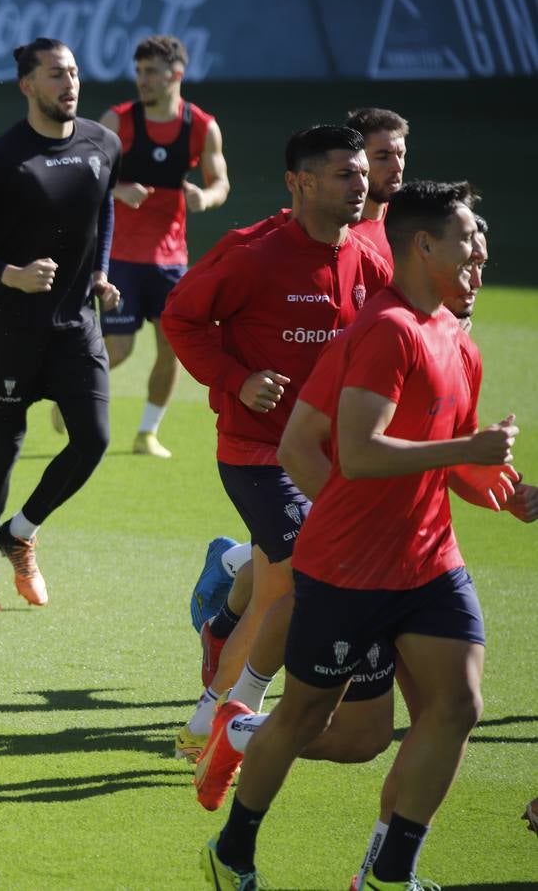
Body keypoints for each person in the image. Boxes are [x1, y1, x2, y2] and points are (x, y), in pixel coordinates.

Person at [201, 180, 524, 891]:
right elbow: (364, 450)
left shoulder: (454, 340)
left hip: (430, 563)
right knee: (312, 718)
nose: (483, 251)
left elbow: (445, 460)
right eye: (469, 239)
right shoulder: (388, 331)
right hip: (347, 572)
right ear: (424, 244)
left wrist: (504, 493)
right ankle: (232, 848)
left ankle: (390, 873)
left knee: (458, 706)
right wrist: (464, 453)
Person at [162, 125, 392, 761]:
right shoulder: (251, 253)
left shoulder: (367, 259)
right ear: (299, 182)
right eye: (344, 174)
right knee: (294, 575)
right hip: (257, 453)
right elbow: (182, 318)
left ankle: (207, 717)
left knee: (277, 588)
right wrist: (238, 380)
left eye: (362, 174)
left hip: (330, 460)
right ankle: (238, 720)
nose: (359, 185)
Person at [0, 38, 121, 611]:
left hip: (76, 325)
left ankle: (19, 531)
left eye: (72, 72)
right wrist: (7, 273)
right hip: (12, 327)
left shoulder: (103, 142)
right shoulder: (1, 159)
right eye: (55, 74)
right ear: (27, 86)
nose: (68, 83)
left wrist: (100, 272)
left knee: (93, 439)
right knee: (5, 449)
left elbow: (103, 206)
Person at [92, 34, 228, 458]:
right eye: (139, 72)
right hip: (119, 255)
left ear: (176, 75)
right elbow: (86, 168)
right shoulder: (118, 121)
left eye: (151, 72)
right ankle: (73, 391)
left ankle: (147, 432)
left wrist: (205, 198)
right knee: (119, 348)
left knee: (173, 345)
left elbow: (220, 181)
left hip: (171, 260)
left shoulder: (201, 126)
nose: (142, 80)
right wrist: (118, 189)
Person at [346, 108, 408, 265]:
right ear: (355, 160)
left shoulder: (410, 224)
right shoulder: (330, 231)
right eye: (383, 157)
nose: (397, 167)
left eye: (400, 155)